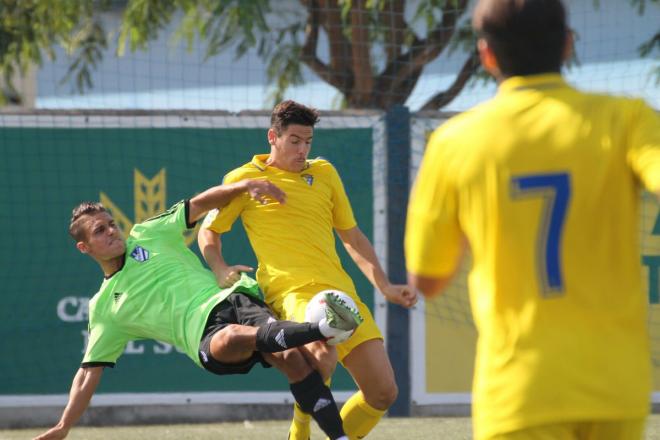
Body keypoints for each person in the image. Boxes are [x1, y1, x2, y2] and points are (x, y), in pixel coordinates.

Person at [405, 0, 660, 439]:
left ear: (486, 55)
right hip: (615, 384)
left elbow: (427, 279)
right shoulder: (628, 118)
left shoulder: (453, 143)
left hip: (518, 391)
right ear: (567, 45)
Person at [34, 178, 364, 440]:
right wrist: (64, 425)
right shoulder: (105, 308)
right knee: (235, 336)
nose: (110, 232)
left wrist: (243, 187)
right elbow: (88, 373)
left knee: (298, 360)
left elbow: (200, 204)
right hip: (205, 337)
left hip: (235, 300)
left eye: (110, 224)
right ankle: (325, 327)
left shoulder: (148, 234)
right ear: (84, 247)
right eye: (99, 231)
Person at [198, 100, 417, 439]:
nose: (302, 150)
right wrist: (219, 266)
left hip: (339, 291)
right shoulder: (245, 180)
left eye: (308, 142)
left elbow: (352, 237)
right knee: (322, 355)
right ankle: (299, 430)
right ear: (274, 136)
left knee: (383, 392)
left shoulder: (325, 173)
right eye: (295, 141)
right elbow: (208, 231)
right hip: (290, 291)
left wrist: (385, 286)